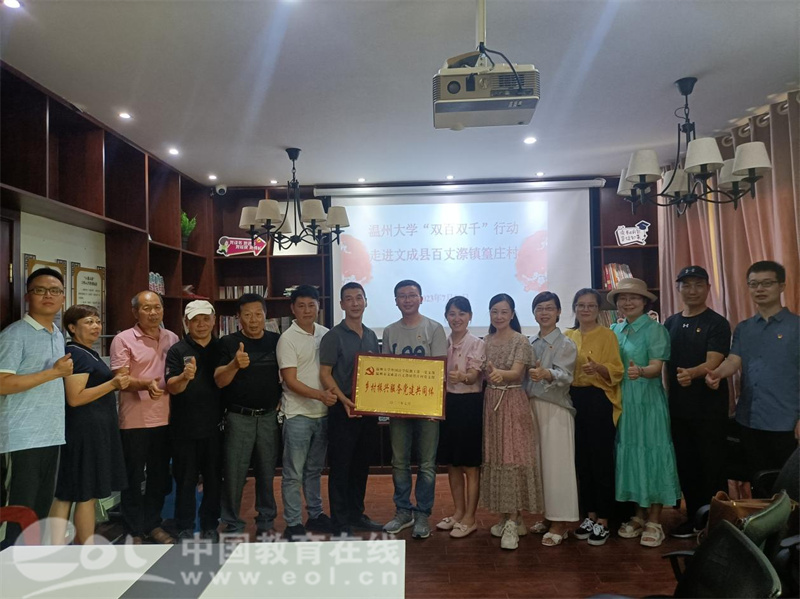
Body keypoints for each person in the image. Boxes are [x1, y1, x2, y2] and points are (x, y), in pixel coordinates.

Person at [706, 260, 799, 480]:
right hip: (749, 419)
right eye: (754, 284)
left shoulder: (796, 327)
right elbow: (734, 360)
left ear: (782, 286)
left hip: (787, 422)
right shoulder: (744, 328)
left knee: (789, 488)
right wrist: (718, 373)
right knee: (759, 481)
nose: (759, 289)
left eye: (767, 283)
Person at [0, 268, 72, 548]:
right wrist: (53, 373)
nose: (48, 296)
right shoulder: (14, 334)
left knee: (39, 509)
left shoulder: (57, 334)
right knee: (18, 511)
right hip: (21, 438)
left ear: (63, 297)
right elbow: (3, 383)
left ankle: (29, 563)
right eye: (40, 290)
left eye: (55, 291)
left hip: (51, 434)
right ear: (28, 296)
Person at [610, 278, 680, 548]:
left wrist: (641, 371)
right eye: (622, 298)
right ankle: (638, 515)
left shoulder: (655, 330)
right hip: (623, 402)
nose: (627, 302)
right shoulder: (615, 329)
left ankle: (654, 520)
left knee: (653, 454)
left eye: (633, 298)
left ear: (644, 302)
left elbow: (656, 367)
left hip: (648, 401)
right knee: (630, 455)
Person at [49, 305, 128, 545]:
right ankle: (80, 547)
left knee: (75, 491)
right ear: (72, 328)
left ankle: (65, 547)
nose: (96, 326)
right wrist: (113, 384)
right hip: (84, 431)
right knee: (82, 493)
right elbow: (75, 397)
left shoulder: (87, 352)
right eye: (88, 322)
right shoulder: (77, 354)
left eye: (97, 321)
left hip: (93, 430)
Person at [664, 266, 731, 538]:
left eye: (698, 285)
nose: (692, 290)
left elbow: (714, 361)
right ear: (678, 288)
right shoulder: (670, 323)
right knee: (687, 466)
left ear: (708, 289)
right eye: (686, 285)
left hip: (709, 410)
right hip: (678, 408)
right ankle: (694, 518)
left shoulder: (717, 323)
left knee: (711, 466)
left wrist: (692, 373)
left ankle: (718, 525)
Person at [111, 291, 179, 544]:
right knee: (133, 477)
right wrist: (145, 384)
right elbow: (121, 379)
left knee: (159, 477)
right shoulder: (123, 339)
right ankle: (133, 529)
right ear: (135, 312)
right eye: (147, 308)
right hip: (134, 421)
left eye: (157, 307)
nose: (153, 313)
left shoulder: (172, 337)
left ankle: (153, 524)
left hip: (167, 419)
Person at [382, 280, 447, 539]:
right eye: (402, 296)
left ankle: (422, 514)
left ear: (421, 298)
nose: (407, 300)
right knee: (399, 462)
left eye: (412, 295)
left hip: (427, 408)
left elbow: (440, 370)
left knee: (427, 464)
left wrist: (435, 405)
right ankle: (403, 512)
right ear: (395, 301)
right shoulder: (389, 331)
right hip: (398, 407)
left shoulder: (435, 328)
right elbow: (385, 370)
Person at [214, 293, 281, 539]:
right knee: (234, 473)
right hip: (238, 417)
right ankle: (232, 522)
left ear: (266, 316)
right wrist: (234, 364)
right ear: (238, 317)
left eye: (258, 314)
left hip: (268, 417)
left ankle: (266, 520)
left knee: (266, 471)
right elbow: (219, 381)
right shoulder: (228, 342)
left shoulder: (277, 341)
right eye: (247, 315)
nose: (253, 320)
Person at [319, 283, 384, 536]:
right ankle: (340, 521)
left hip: (366, 409)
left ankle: (356, 514)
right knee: (341, 467)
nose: (355, 303)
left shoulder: (371, 335)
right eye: (349, 299)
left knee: (361, 465)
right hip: (342, 408)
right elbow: (325, 374)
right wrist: (343, 400)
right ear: (341, 304)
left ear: (366, 301)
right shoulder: (333, 336)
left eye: (359, 298)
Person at [481, 293, 543, 551]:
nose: (499, 316)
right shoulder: (485, 341)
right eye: (494, 311)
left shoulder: (521, 341)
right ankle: (508, 517)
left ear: (513, 314)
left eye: (504, 312)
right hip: (491, 403)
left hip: (513, 401)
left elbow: (517, 373)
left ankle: (514, 520)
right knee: (497, 457)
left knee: (513, 457)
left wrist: (498, 374)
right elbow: (479, 372)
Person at [276, 285, 336, 540]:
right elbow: (290, 380)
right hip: (297, 415)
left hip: (322, 414)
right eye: (301, 306)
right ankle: (293, 523)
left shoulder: (326, 334)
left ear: (319, 307)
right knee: (293, 473)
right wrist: (321, 395)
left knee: (314, 470)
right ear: (293, 309)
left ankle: (315, 514)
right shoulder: (287, 339)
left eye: (311, 305)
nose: (307, 310)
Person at [564, 288, 624, 547]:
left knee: (601, 461)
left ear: (598, 309)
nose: (585, 310)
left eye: (590, 305)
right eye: (581, 305)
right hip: (573, 399)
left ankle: (604, 519)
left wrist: (599, 368)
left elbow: (617, 370)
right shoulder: (568, 336)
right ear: (574, 308)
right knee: (582, 461)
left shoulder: (607, 335)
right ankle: (589, 516)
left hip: (598, 400)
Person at [165, 300, 223, 541]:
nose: (201, 324)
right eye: (195, 320)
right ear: (186, 323)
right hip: (184, 428)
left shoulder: (222, 348)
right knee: (185, 481)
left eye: (206, 319)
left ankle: (210, 526)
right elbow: (171, 387)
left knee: (213, 481)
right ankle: (185, 527)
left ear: (214, 320)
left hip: (215, 427)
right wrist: (184, 377)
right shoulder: (177, 350)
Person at [526, 291, 579, 546]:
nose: (544, 313)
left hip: (556, 408)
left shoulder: (566, 343)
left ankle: (561, 523)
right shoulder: (529, 342)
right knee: (541, 466)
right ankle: (548, 516)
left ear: (558, 312)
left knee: (558, 467)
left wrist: (547, 373)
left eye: (549, 308)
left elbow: (567, 376)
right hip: (532, 407)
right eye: (540, 308)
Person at [435, 296, 485, 539]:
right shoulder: (441, 343)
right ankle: (458, 512)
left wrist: (463, 377)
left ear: (470, 316)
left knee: (470, 465)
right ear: (446, 316)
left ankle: (470, 518)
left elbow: (475, 375)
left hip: (470, 405)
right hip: (448, 404)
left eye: (462, 314)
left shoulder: (477, 343)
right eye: (452, 313)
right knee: (452, 464)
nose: (457, 318)